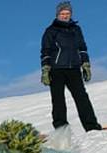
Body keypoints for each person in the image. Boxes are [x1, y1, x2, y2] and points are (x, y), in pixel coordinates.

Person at [41, 2, 102, 132]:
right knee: (58, 100)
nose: (65, 16)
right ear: (57, 14)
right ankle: (61, 129)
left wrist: (85, 64)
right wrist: (45, 69)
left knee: (82, 98)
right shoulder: (51, 31)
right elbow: (45, 51)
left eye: (67, 13)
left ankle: (91, 126)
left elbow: (82, 48)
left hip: (74, 68)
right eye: (62, 13)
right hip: (56, 70)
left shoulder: (76, 29)